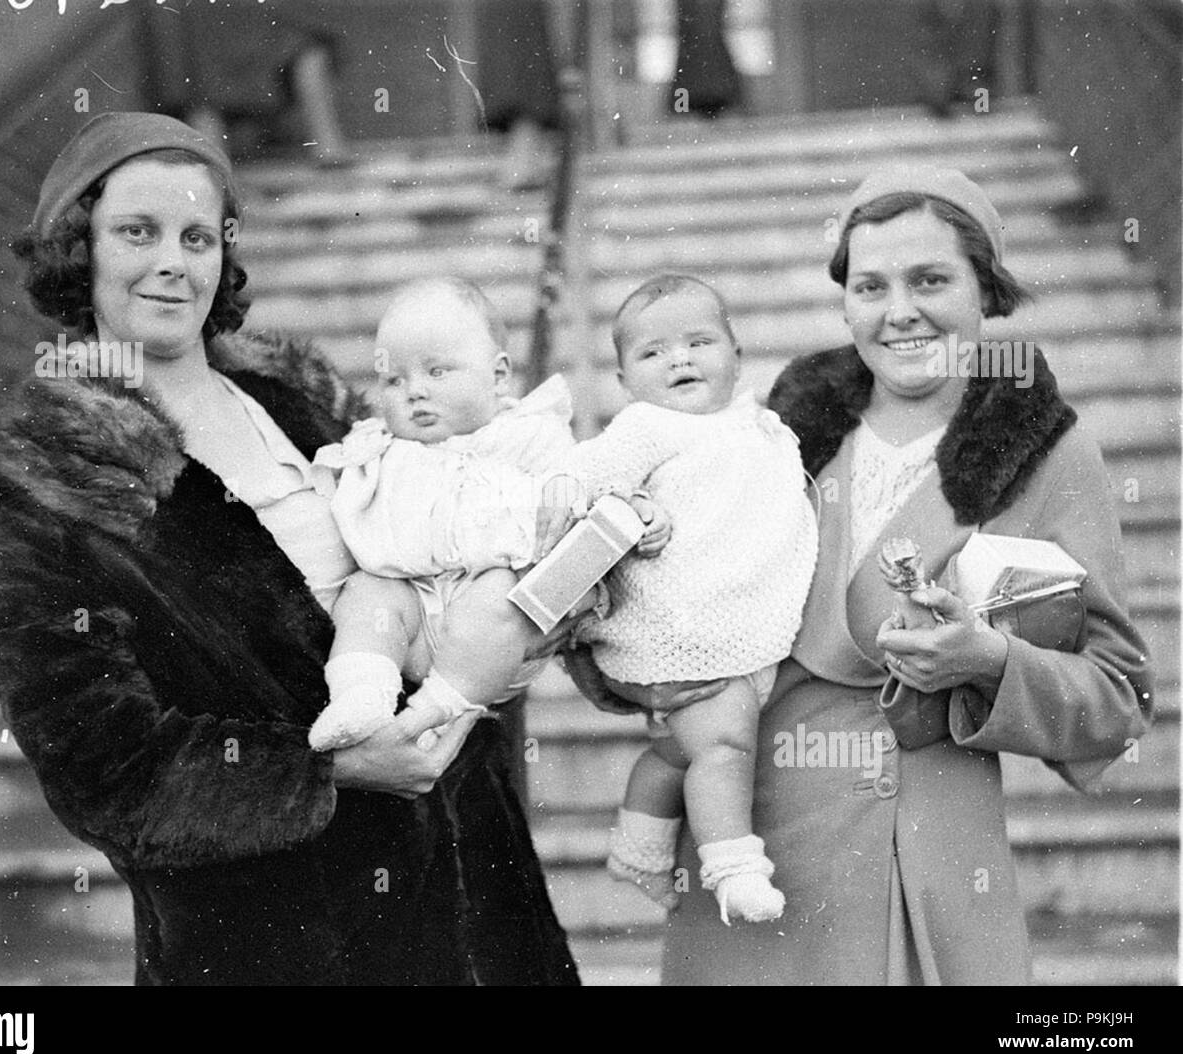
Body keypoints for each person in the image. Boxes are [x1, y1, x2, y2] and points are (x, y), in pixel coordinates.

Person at [0, 113, 579, 985]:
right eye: (135, 233)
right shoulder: (56, 481)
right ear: (80, 248)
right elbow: (98, 761)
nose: (172, 263)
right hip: (281, 940)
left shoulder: (305, 403)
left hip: (475, 893)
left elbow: (440, 557)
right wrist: (326, 769)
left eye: (196, 235)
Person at [568, 165, 1153, 984]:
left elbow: (1119, 700)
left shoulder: (1048, 452)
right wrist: (633, 680)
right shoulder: (781, 426)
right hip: (751, 841)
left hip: (915, 844)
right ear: (845, 302)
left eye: (931, 280)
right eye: (870, 285)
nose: (899, 310)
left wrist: (988, 662)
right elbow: (659, 580)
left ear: (986, 291)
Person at [307, 276, 668, 752]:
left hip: (494, 641)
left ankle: (435, 712)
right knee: (367, 589)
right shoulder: (379, 454)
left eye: (436, 372)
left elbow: (589, 484)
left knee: (502, 590)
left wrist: (635, 508)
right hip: (411, 623)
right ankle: (360, 693)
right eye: (394, 380)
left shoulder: (531, 436)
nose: (414, 391)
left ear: (498, 377)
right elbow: (362, 537)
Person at [566, 275, 817, 924]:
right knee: (721, 746)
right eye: (651, 353)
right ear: (624, 383)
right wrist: (632, 506)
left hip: (742, 625)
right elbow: (583, 485)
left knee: (677, 750)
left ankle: (640, 847)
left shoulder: (760, 426)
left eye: (699, 342)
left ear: (737, 356)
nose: (678, 359)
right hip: (681, 629)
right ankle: (734, 868)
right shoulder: (644, 427)